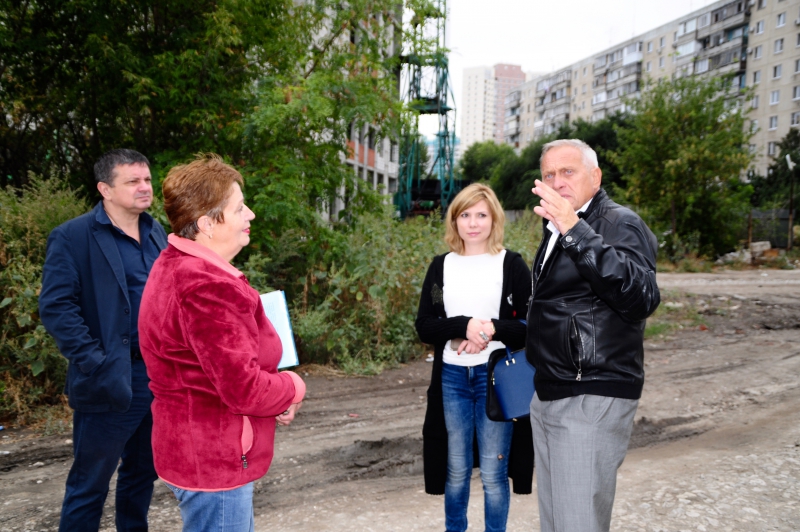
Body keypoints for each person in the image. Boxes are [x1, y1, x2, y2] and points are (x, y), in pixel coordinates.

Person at [137, 154, 305, 532]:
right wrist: (293, 386)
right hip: (213, 461)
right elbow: (243, 388)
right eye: (239, 207)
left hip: (195, 450)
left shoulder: (178, 263)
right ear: (207, 224)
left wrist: (273, 397)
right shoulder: (206, 285)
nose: (251, 215)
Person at [526, 139, 660, 532]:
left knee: (578, 523)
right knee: (557, 522)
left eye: (568, 171)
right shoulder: (558, 227)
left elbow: (641, 297)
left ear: (595, 176)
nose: (557, 181)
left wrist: (573, 228)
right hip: (553, 391)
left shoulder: (618, 223)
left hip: (590, 393)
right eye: (549, 174)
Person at [39, 149, 167, 531]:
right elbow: (56, 307)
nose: (145, 188)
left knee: (143, 474)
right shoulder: (73, 236)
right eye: (133, 181)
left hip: (156, 379)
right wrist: (95, 362)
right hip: (108, 378)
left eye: (147, 179)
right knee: (89, 485)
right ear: (105, 189)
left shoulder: (155, 230)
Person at [416, 183, 534, 532]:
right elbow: (425, 325)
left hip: (495, 379)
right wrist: (463, 328)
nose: (472, 223)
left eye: (481, 214)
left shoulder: (511, 265)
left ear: (493, 218)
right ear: (454, 221)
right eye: (464, 215)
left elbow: (531, 326)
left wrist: (488, 331)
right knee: (455, 469)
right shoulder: (441, 267)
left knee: (494, 472)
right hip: (452, 378)